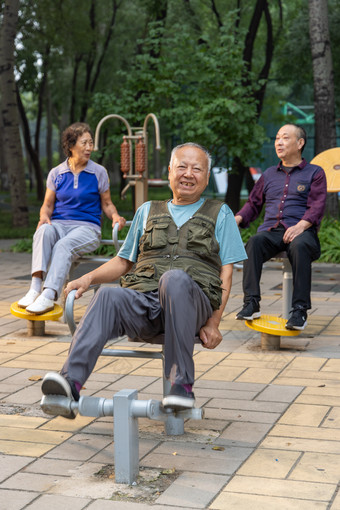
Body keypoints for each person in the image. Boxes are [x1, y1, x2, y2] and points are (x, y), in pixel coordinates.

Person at [41, 142, 247, 418]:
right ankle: (70, 384)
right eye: (182, 167)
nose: (188, 173)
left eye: (197, 169)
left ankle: (180, 386)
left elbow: (227, 272)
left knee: (175, 279)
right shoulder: (148, 210)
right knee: (107, 295)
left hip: (191, 304)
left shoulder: (219, 213)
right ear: (171, 171)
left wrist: (214, 322)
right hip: (146, 305)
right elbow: (123, 261)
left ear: (207, 177)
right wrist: (87, 278)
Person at [18, 122, 126, 315]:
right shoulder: (56, 173)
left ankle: (49, 295)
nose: (89, 148)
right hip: (59, 225)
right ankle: (35, 288)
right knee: (43, 230)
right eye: (84, 143)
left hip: (87, 228)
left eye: (91, 143)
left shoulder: (98, 172)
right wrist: (43, 216)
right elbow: (48, 205)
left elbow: (107, 204)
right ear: (70, 146)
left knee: (63, 246)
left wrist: (116, 215)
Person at [235, 123, 327, 330]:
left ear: (300, 143)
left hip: (303, 232)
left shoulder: (315, 173)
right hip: (272, 232)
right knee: (254, 242)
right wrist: (237, 219)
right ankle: (251, 303)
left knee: (299, 245)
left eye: (285, 137)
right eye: (277, 138)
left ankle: (299, 311)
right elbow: (253, 204)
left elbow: (317, 206)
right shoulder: (268, 174)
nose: (279, 142)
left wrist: (300, 226)